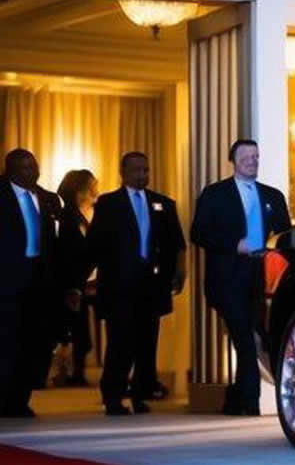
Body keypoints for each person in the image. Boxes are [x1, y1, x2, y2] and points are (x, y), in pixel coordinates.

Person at [190, 139, 290, 416]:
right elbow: (198, 232)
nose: (252, 161)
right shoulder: (215, 193)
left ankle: (238, 399)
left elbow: (285, 236)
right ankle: (250, 400)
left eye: (256, 156)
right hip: (228, 279)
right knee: (244, 337)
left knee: (257, 339)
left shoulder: (273, 196)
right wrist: (235, 245)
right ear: (233, 160)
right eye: (246, 157)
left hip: (264, 281)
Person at [91, 152, 187, 415]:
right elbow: (95, 245)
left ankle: (141, 393)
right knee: (120, 342)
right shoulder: (108, 204)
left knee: (147, 342)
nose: (142, 174)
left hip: (151, 285)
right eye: (136, 170)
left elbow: (177, 243)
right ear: (123, 172)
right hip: (119, 286)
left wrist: (179, 272)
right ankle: (112, 396)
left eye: (146, 169)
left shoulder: (163, 204)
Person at [2, 149, 60, 417]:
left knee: (33, 343)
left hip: (40, 283)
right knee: (7, 343)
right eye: (26, 167)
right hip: (7, 282)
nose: (33, 171)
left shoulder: (47, 199)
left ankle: (20, 399)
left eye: (34, 166)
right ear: (11, 170)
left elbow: (58, 244)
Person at [53, 169, 98, 387]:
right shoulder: (66, 218)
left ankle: (75, 373)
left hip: (80, 283)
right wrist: (74, 286)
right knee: (73, 333)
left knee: (80, 333)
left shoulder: (80, 216)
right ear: (80, 190)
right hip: (69, 284)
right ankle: (71, 373)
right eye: (92, 186)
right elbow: (67, 255)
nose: (95, 190)